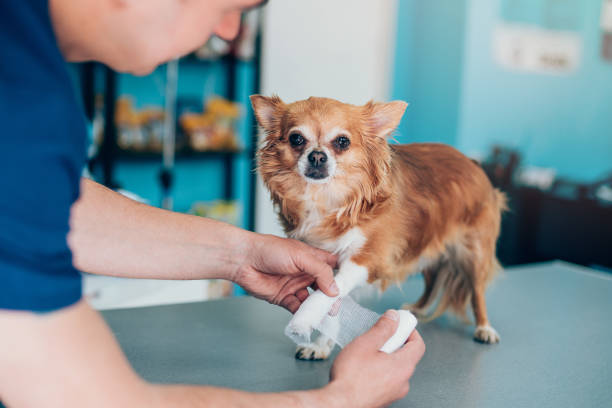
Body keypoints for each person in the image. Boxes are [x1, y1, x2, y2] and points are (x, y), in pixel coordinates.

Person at [0, 0, 426, 407]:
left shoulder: (23, 56)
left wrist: (241, 255)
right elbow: (84, 396)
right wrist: (340, 400)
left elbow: (53, 209)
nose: (229, 31)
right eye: (228, 6)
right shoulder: (23, 101)